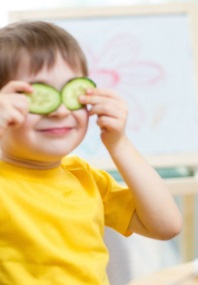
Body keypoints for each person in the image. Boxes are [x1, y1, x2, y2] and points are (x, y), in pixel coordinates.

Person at [0, 20, 182, 284]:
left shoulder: (85, 178)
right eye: (36, 96)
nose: (60, 111)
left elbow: (167, 225)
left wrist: (119, 143)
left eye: (71, 92)